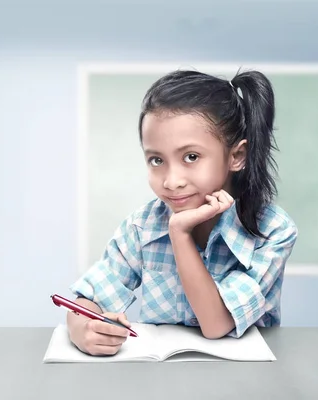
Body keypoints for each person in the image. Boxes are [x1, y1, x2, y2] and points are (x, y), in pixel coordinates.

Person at [67, 68, 298, 356]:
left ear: (236, 156)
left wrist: (179, 232)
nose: (171, 180)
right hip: (163, 381)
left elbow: (216, 325)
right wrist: (82, 328)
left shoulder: (273, 230)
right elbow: (88, 299)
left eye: (191, 157)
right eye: (156, 160)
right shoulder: (142, 227)